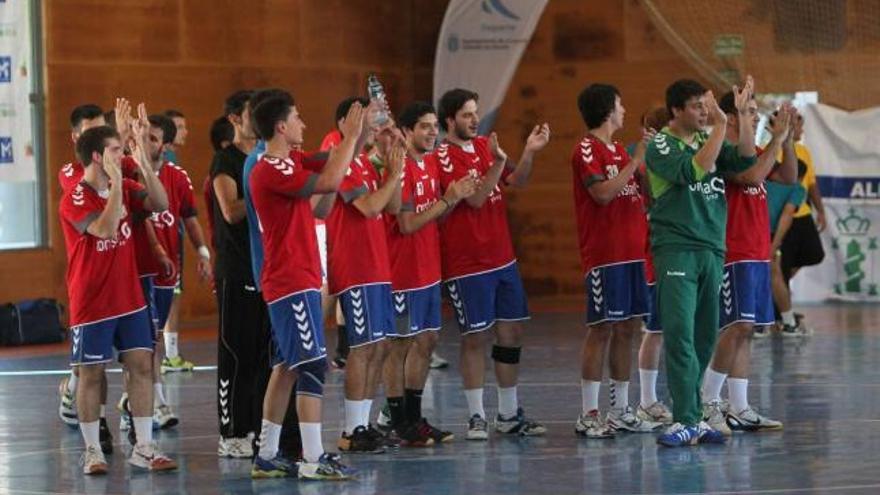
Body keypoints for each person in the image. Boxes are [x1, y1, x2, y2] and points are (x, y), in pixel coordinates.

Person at [248, 91, 367, 479]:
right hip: (290, 281)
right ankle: (313, 459)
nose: (304, 124)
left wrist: (360, 131)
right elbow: (332, 177)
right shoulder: (270, 169)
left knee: (286, 366)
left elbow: (332, 163)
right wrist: (347, 138)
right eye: (298, 117)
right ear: (281, 126)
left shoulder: (290, 160)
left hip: (297, 278)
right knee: (313, 366)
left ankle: (266, 453)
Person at [645, 78, 758, 447]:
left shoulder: (703, 139)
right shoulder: (661, 144)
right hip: (677, 248)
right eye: (696, 106)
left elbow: (744, 158)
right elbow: (694, 171)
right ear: (677, 110)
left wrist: (741, 117)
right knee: (679, 333)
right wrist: (722, 125)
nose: (703, 112)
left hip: (712, 247)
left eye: (703, 106)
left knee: (705, 334)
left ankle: (693, 415)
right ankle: (685, 418)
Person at [61, 121, 176, 474]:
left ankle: (143, 446)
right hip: (92, 301)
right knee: (92, 373)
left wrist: (142, 161)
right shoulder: (75, 197)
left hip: (129, 298)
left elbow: (160, 202)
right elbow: (105, 228)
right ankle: (92, 450)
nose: (120, 154)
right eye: (115, 150)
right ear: (97, 156)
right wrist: (115, 190)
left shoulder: (125, 185)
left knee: (141, 365)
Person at [436, 88, 550, 439]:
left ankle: (507, 413)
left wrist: (529, 152)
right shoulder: (443, 155)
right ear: (450, 120)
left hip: (503, 258)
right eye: (467, 115)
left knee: (511, 332)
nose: (474, 120)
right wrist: (498, 163)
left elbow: (519, 180)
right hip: (468, 262)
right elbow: (474, 199)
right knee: (475, 337)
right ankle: (476, 416)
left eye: (475, 113)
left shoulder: (487, 145)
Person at [380, 101, 476, 446]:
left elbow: (434, 215)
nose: (433, 132)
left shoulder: (432, 162)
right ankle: (397, 418)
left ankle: (414, 418)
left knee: (428, 340)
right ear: (407, 132)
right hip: (403, 272)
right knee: (400, 345)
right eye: (424, 126)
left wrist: (457, 198)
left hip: (428, 269)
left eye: (435, 126)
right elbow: (405, 224)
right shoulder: (400, 166)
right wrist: (449, 200)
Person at [699, 92, 796, 435]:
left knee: (748, 332)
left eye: (757, 112)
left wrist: (787, 140)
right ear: (732, 115)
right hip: (734, 251)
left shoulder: (754, 152)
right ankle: (707, 400)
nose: (756, 118)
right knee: (735, 327)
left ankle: (739, 406)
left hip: (757, 252)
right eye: (750, 112)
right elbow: (753, 177)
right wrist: (776, 141)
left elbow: (788, 178)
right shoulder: (723, 152)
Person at [571, 83, 661, 439]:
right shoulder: (586, 150)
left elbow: (646, 199)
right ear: (608, 109)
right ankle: (589, 414)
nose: (625, 111)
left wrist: (646, 164)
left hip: (633, 254)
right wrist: (635, 160)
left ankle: (622, 410)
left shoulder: (622, 152)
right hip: (604, 258)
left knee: (627, 328)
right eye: (621, 105)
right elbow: (603, 194)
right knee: (601, 329)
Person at [326, 96, 402, 454]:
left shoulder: (363, 160)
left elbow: (394, 205)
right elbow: (370, 207)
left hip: (378, 266)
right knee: (361, 348)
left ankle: (364, 423)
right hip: (355, 266)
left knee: (380, 346)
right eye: (370, 118)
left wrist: (390, 164)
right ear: (347, 120)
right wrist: (396, 174)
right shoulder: (337, 154)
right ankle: (350, 429)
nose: (377, 125)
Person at [210, 90, 271, 455]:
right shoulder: (225, 160)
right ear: (235, 119)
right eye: (252, 113)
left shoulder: (266, 158)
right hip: (236, 268)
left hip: (266, 267)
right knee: (236, 352)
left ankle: (256, 426)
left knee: (263, 354)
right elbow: (231, 210)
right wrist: (267, 192)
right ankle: (231, 432)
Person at [778, 112, 824, 334]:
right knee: (779, 266)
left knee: (814, 253)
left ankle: (780, 306)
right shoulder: (776, 151)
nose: (802, 130)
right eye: (799, 125)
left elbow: (811, 183)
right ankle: (781, 314)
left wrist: (821, 211)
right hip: (783, 215)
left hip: (802, 212)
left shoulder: (804, 151)